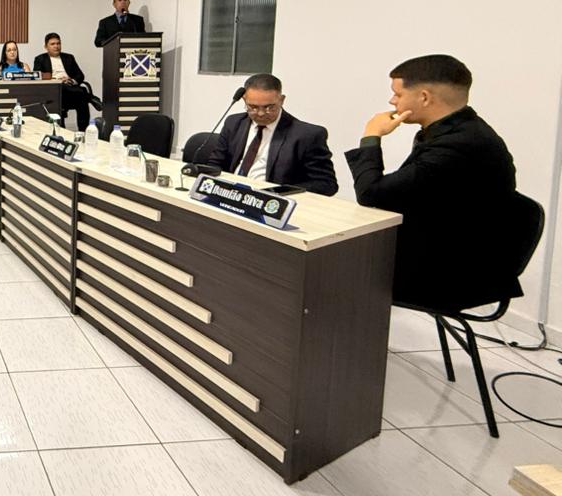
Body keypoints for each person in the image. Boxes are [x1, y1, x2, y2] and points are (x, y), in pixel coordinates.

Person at [345, 55, 518, 311]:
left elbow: (371, 193)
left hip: (453, 274)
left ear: (424, 97)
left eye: (398, 94)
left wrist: (371, 136)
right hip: (448, 248)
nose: (392, 101)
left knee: (330, 265)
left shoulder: (457, 146)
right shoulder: (463, 130)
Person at [205, 74, 338, 195]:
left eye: (269, 107)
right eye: (253, 107)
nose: (261, 113)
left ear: (282, 100)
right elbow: (215, 163)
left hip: (271, 200)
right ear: (244, 100)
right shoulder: (234, 123)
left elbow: (326, 184)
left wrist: (278, 192)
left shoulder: (307, 135)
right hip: (230, 194)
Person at [32, 33, 91, 130]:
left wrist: (71, 80)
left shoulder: (69, 58)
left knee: (82, 98)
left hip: (71, 91)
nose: (56, 46)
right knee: (82, 92)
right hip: (53, 91)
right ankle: (91, 98)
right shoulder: (40, 59)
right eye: (52, 44)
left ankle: (83, 131)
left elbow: (80, 75)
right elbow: (38, 76)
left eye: (58, 43)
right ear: (46, 47)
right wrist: (56, 80)